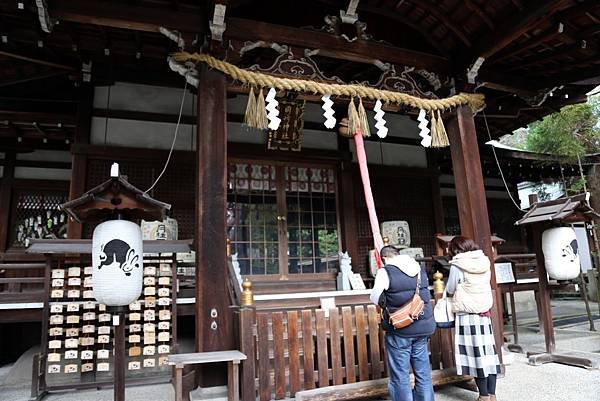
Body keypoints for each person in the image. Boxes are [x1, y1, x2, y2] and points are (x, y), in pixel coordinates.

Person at [370, 245, 435, 401]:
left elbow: (374, 297)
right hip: (422, 327)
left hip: (400, 329)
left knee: (401, 376)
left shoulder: (385, 271)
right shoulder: (419, 269)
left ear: (384, 258)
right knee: (423, 373)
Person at [446, 236, 501, 401]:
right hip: (484, 313)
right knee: (488, 355)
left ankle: (483, 396)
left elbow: (450, 288)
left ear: (455, 249)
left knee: (475, 356)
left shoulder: (458, 265)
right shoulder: (484, 261)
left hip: (467, 315)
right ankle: (492, 394)